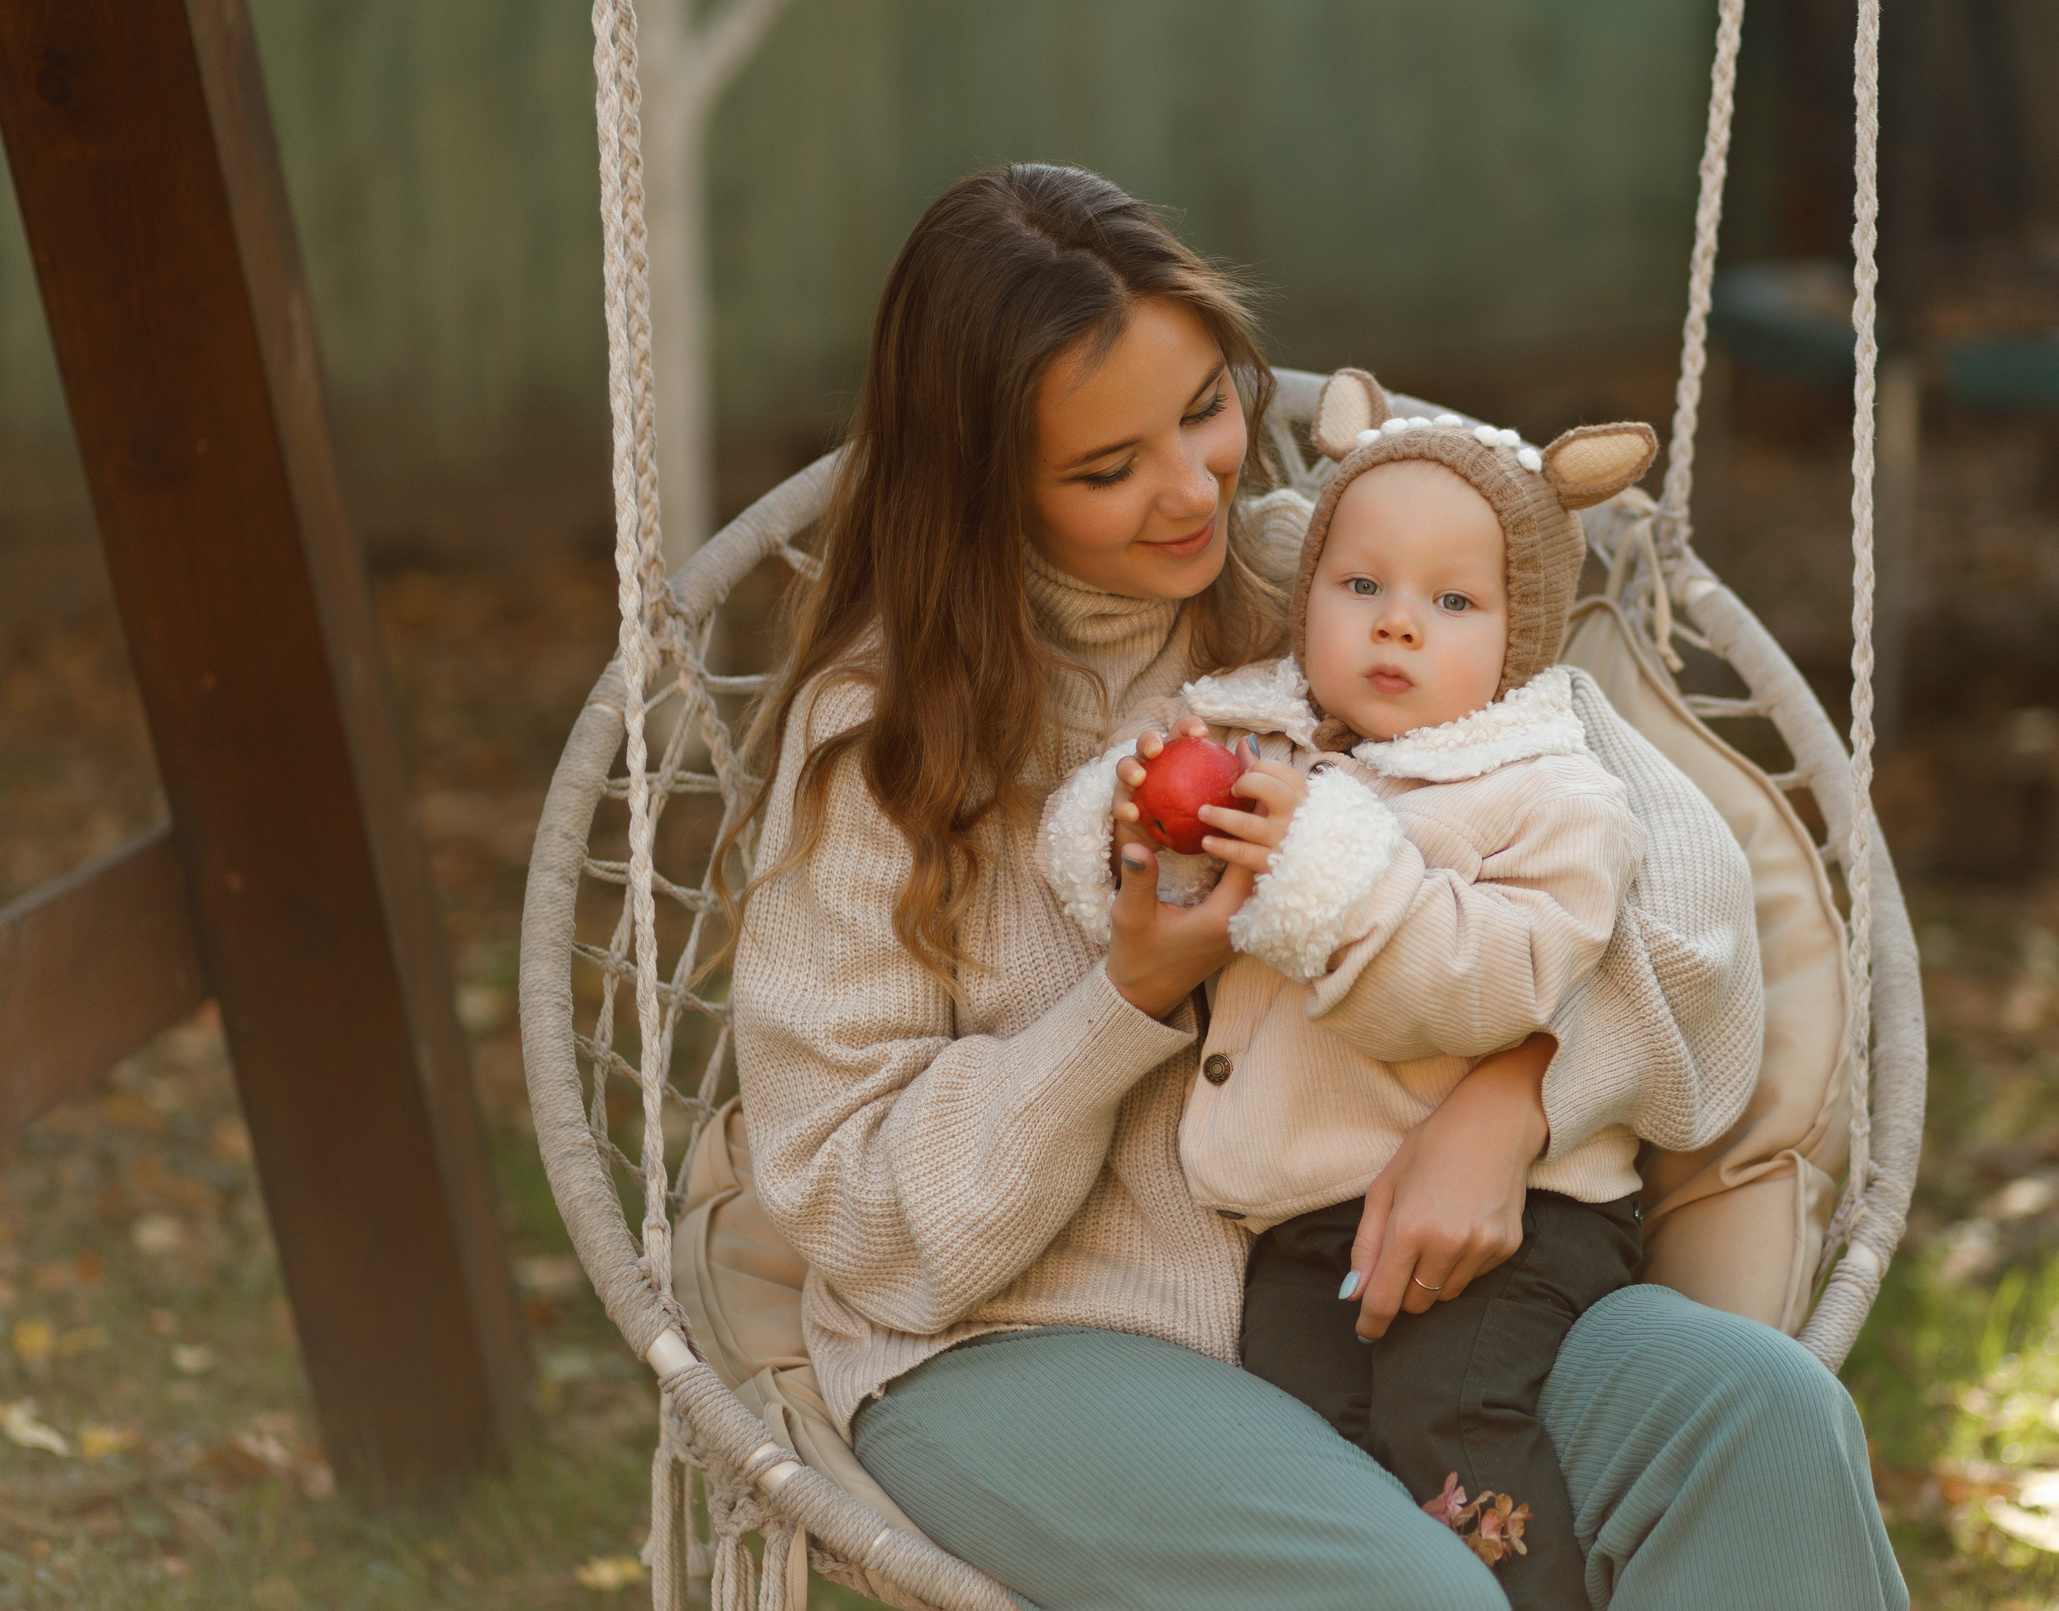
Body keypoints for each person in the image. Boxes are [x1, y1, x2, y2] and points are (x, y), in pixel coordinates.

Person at [729, 162, 1908, 1611]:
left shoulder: (1359, 590)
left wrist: (1517, 1096)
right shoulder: (883, 742)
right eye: (1106, 470)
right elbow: (858, 1210)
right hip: (1024, 1340)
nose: (1193, 488)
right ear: (980, 483)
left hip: (1431, 1308)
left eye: (1207, 407)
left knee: (1765, 1423)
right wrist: (1133, 992)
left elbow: (1697, 934)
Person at [1039, 368, 1689, 1609]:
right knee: (1304, 1444)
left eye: (1452, 600)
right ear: (1307, 597)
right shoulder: (1247, 734)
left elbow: (1497, 980)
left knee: (1449, 1419)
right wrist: (1130, 831)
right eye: (1361, 586)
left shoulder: (1546, 792)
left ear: (1521, 632)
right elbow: (1123, 881)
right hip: (1301, 1223)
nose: (1398, 625)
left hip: (1521, 1218)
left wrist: (1318, 861)